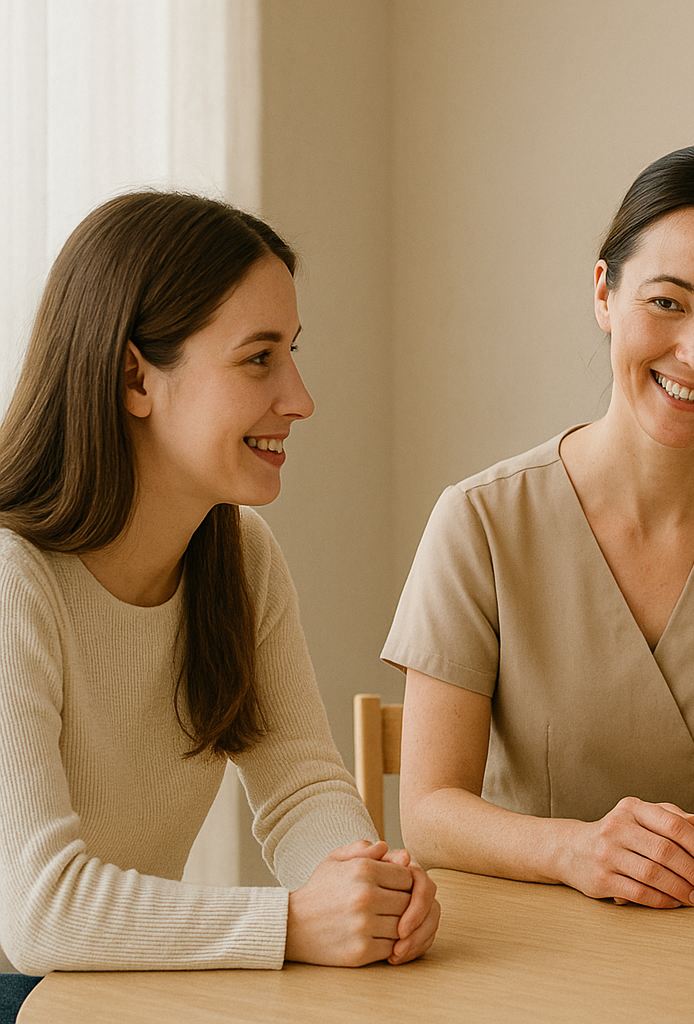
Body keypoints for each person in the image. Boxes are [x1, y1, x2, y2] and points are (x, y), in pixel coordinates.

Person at [383, 144, 694, 909]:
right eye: (667, 302)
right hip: (524, 944)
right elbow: (428, 812)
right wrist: (575, 851)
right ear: (604, 292)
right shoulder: (480, 522)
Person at [0, 192, 440, 1021]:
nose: (300, 397)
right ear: (136, 376)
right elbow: (40, 911)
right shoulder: (10, 580)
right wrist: (291, 922)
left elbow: (301, 787)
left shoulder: (238, 558)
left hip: (100, 995)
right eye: (258, 359)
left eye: (292, 354)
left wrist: (366, 887)